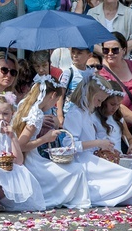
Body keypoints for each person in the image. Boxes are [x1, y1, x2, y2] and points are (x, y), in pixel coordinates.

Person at [63, 73, 132, 206]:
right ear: (89, 95)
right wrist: (99, 143)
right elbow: (69, 145)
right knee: (127, 176)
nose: (99, 105)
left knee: (128, 175)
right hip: (83, 161)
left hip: (93, 158)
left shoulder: (85, 113)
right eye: (99, 100)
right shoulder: (75, 114)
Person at [12, 77, 91, 209]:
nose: (54, 105)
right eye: (55, 102)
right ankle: (69, 199)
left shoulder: (24, 105)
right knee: (76, 171)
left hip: (29, 158)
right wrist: (46, 138)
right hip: (31, 162)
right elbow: (21, 146)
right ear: (53, 95)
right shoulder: (36, 114)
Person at [98, 32, 132, 140]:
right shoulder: (101, 73)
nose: (110, 53)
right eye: (106, 50)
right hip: (119, 131)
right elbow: (116, 105)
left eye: (115, 50)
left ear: (124, 50)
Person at [94, 80, 132, 154]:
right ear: (104, 101)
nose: (115, 108)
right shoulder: (94, 118)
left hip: (117, 158)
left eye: (118, 105)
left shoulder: (118, 118)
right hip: (101, 158)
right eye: (112, 104)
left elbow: (130, 138)